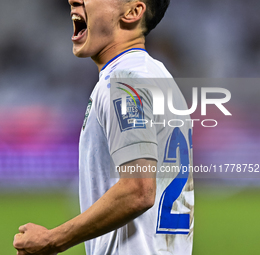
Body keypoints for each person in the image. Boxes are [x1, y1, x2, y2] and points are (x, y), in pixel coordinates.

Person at [13, 0, 194, 254]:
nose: (74, 0)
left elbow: (139, 189)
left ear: (132, 12)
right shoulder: (158, 75)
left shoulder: (124, 81)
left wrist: (51, 240)